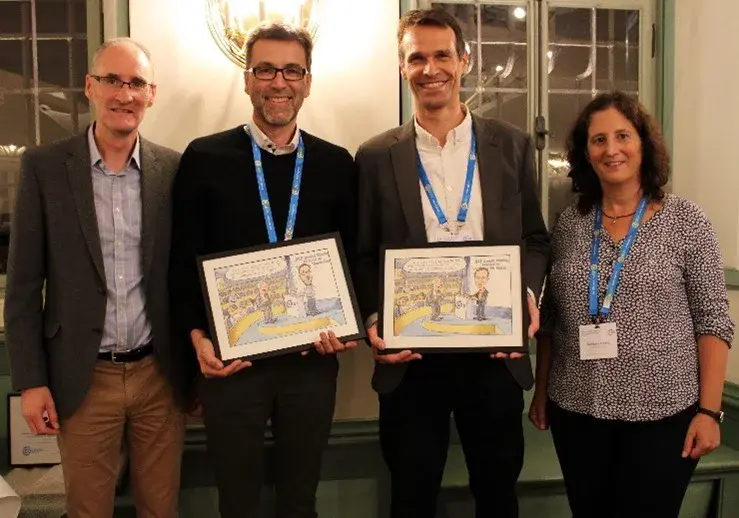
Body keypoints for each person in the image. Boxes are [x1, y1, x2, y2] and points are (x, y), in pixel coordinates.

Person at [354, 8, 549, 518]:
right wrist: (376, 320)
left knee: (497, 493)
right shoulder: (374, 157)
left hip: (493, 353)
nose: (430, 67)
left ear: (464, 61)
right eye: (416, 57)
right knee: (411, 497)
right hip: (411, 358)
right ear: (403, 68)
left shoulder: (511, 145)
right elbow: (363, 252)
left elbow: (534, 238)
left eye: (442, 54)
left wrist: (525, 296)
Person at [168, 22, 358, 518]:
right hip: (233, 365)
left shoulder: (338, 164)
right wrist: (197, 340)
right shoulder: (204, 157)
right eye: (266, 69)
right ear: (247, 79)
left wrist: (349, 324)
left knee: (300, 499)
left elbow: (354, 260)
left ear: (308, 80)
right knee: (238, 501)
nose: (279, 82)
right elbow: (181, 261)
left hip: (312, 361)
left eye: (292, 70)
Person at [4, 38, 187, 518]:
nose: (124, 94)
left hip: (159, 376)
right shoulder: (44, 168)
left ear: (152, 94)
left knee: (160, 509)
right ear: (90, 87)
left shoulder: (172, 169)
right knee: (88, 510)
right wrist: (30, 382)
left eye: (136, 84)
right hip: (83, 376)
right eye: (112, 80)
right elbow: (23, 286)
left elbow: (185, 275)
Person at [528, 91, 734, 518]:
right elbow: (551, 318)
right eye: (598, 139)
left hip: (662, 415)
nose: (611, 149)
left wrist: (710, 411)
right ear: (586, 153)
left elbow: (713, 320)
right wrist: (542, 391)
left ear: (643, 143)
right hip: (577, 412)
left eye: (622, 135)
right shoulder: (570, 222)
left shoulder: (686, 221)